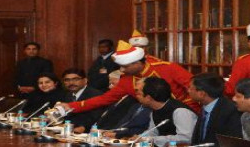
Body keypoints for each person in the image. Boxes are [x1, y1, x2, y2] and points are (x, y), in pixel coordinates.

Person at [59, 40, 197, 120]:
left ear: (138, 63)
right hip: (157, 118)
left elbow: (195, 87)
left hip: (187, 112)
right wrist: (71, 106)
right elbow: (103, 99)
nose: (122, 70)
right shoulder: (126, 81)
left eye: (125, 66)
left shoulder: (167, 68)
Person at [189, 72, 242, 147]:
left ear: (202, 94)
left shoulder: (231, 111)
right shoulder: (205, 107)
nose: (188, 91)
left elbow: (231, 143)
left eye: (190, 88)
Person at [135, 77, 197, 144]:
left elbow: (186, 138)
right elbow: (153, 132)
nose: (136, 97)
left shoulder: (180, 111)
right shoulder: (155, 110)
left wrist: (152, 139)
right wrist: (139, 138)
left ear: (148, 98)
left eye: (138, 94)